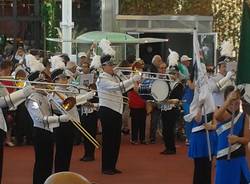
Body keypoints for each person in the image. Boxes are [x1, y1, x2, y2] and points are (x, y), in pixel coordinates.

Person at [96, 54, 141, 175]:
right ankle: (106, 167)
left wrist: (128, 78)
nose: (112, 67)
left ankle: (112, 165)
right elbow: (115, 88)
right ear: (103, 67)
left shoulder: (115, 76)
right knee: (108, 140)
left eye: (112, 64)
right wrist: (132, 80)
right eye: (109, 65)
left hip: (116, 110)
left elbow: (123, 89)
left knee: (116, 141)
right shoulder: (102, 79)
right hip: (107, 111)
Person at [25, 70, 70, 184]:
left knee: (48, 162)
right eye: (41, 82)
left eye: (45, 81)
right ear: (34, 84)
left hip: (49, 131)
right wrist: (59, 119)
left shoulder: (46, 96)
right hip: (40, 132)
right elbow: (39, 119)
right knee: (41, 163)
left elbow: (55, 109)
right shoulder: (32, 99)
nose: (45, 84)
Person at [0, 59, 33, 183]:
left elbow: (7, 102)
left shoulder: (2, 84)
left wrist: (21, 94)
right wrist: (22, 93)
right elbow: (2, 102)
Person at [214, 86, 250, 184]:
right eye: (233, 98)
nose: (236, 101)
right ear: (226, 99)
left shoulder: (244, 117)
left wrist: (237, 139)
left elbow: (247, 139)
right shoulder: (223, 114)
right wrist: (229, 100)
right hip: (224, 160)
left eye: (237, 98)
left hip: (239, 160)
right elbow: (217, 117)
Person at [160, 65, 184, 154]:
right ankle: (167, 147)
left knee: (170, 129)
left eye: (173, 73)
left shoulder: (179, 85)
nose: (171, 75)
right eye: (170, 73)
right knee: (165, 130)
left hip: (173, 109)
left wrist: (165, 101)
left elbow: (177, 100)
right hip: (164, 108)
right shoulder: (166, 83)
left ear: (177, 74)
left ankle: (171, 148)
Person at [128, 59, 147, 145]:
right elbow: (135, 88)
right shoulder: (133, 75)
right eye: (140, 66)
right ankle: (134, 138)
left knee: (143, 120)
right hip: (135, 99)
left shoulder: (143, 75)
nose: (141, 67)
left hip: (143, 100)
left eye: (142, 66)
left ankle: (142, 138)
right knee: (135, 121)